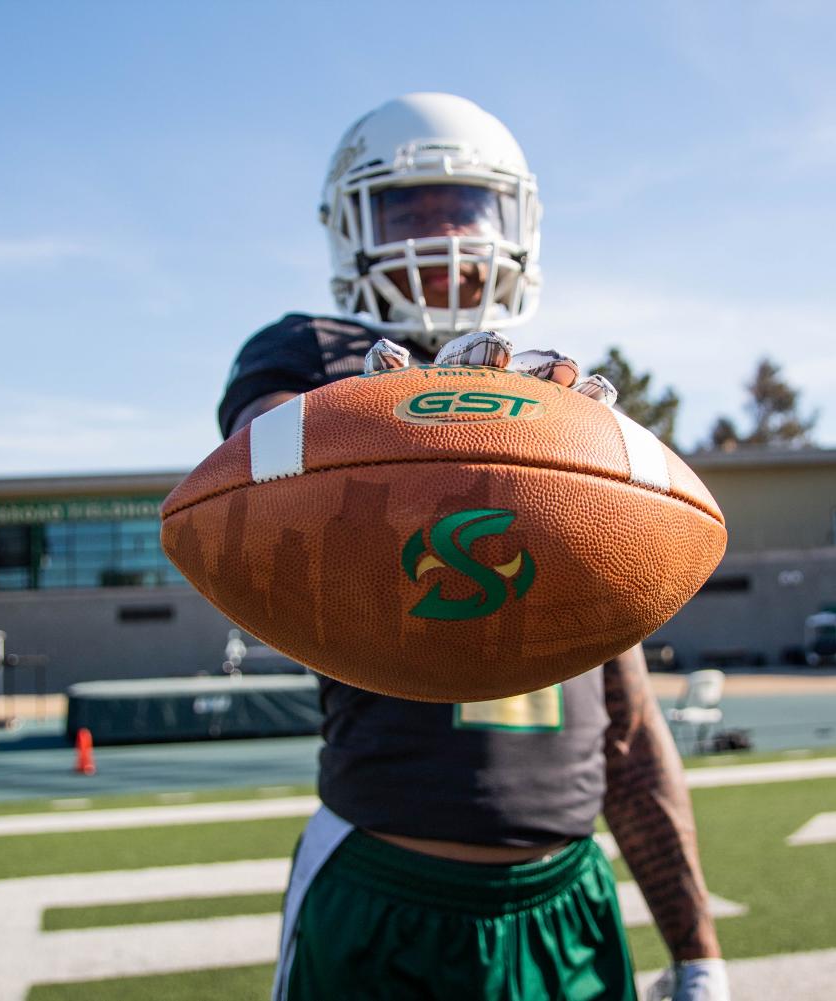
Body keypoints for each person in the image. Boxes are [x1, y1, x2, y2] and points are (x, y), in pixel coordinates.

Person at [219, 93, 726, 1001]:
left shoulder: (557, 409)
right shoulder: (313, 356)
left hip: (566, 895)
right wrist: (411, 422)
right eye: (409, 207)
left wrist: (696, 951)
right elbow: (260, 464)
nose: (443, 232)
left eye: (466, 205)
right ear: (352, 228)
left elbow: (628, 724)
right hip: (382, 880)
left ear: (513, 223)